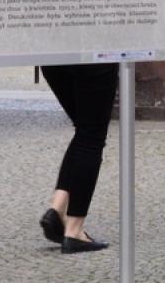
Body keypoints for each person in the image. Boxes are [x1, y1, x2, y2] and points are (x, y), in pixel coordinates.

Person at [37, 63, 119, 254]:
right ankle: (74, 231)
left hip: (53, 61)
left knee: (85, 132)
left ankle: (57, 208)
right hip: (94, 59)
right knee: (91, 137)